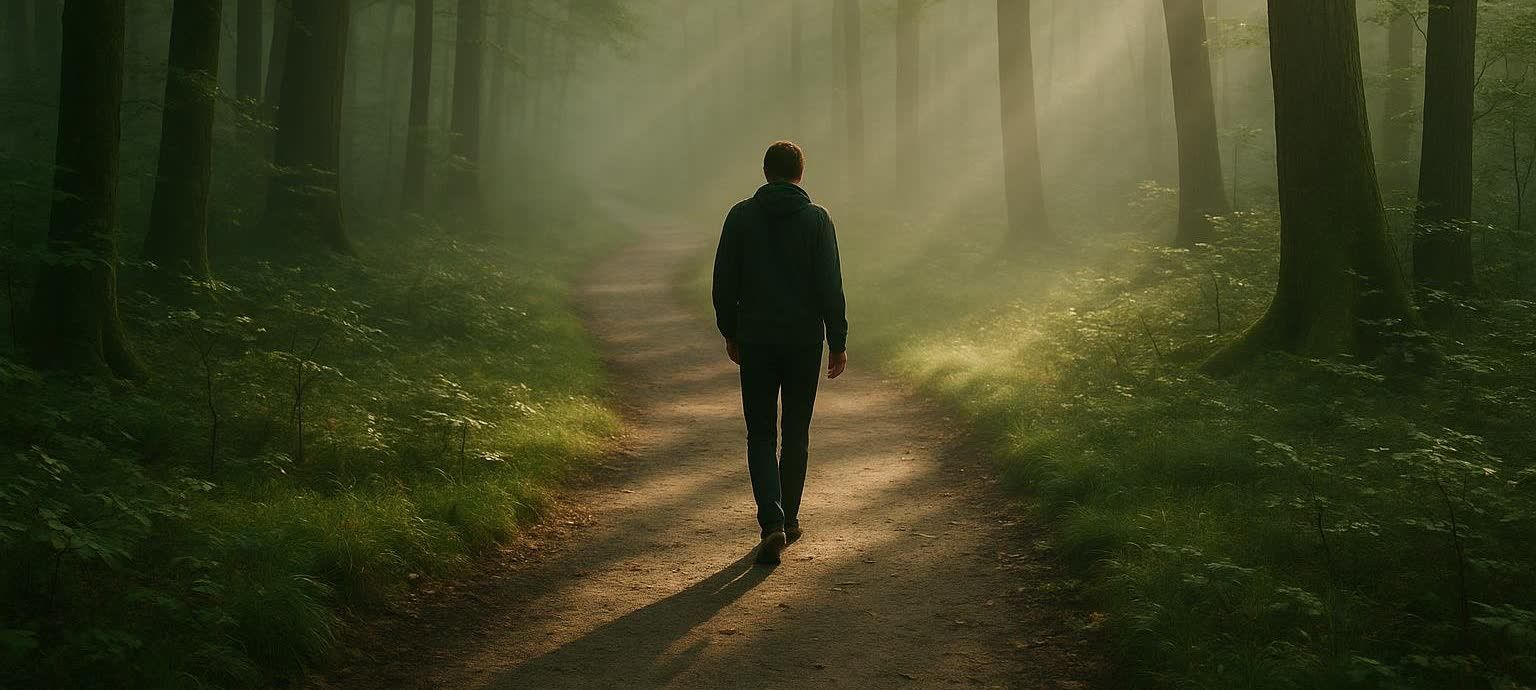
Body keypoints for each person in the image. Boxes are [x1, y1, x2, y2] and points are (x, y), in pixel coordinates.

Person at [712, 141, 849, 566]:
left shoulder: (740, 216)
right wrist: (838, 340)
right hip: (803, 341)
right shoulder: (817, 220)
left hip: (755, 339)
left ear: (766, 172)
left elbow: (724, 281)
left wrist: (730, 331)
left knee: (760, 433)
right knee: (796, 432)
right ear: (800, 173)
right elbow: (830, 284)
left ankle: (771, 522)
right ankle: (789, 519)